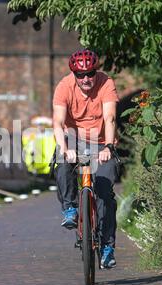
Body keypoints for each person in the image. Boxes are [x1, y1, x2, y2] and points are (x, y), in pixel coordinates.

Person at [52, 49, 119, 269]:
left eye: (90, 73)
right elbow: (58, 121)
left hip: (101, 142)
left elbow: (109, 117)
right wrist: (64, 148)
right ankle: (70, 208)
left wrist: (108, 146)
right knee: (62, 163)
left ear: (95, 71)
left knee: (105, 191)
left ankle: (107, 246)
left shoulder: (106, 83)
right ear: (74, 75)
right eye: (80, 75)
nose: (86, 79)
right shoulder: (64, 86)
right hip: (73, 140)